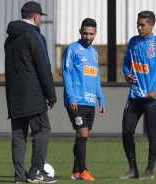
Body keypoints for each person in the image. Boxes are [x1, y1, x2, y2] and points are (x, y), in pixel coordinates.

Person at [4, 1, 57, 183]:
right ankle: (36, 172)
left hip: (14, 95)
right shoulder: (34, 36)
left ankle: (19, 177)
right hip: (33, 95)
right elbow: (44, 66)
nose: (40, 20)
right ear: (35, 16)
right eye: (40, 17)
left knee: (19, 136)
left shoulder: (10, 38)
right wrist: (51, 95)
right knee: (43, 130)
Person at [119, 11, 156, 180]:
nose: (139, 27)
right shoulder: (133, 42)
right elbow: (126, 64)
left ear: (151, 25)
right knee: (127, 131)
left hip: (151, 98)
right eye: (138, 24)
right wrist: (126, 74)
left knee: (152, 134)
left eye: (142, 25)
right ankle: (132, 169)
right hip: (134, 96)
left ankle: (149, 171)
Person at [62, 18, 106, 181]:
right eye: (85, 33)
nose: (88, 36)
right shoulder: (72, 49)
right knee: (83, 133)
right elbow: (66, 73)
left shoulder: (94, 53)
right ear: (80, 31)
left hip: (89, 101)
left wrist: (101, 99)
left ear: (96, 33)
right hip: (76, 101)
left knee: (81, 136)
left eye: (91, 34)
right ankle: (84, 171)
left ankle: (75, 171)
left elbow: (96, 78)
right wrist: (71, 97)